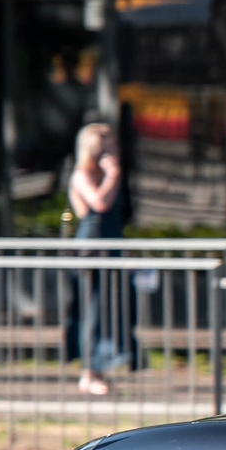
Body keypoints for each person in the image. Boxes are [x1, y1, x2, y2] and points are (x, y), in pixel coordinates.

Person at [63, 121, 130, 397]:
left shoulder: (105, 174)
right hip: (91, 248)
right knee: (91, 311)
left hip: (110, 245)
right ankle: (89, 372)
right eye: (107, 146)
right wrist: (112, 174)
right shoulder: (83, 173)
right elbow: (98, 204)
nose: (113, 151)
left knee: (105, 310)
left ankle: (98, 369)